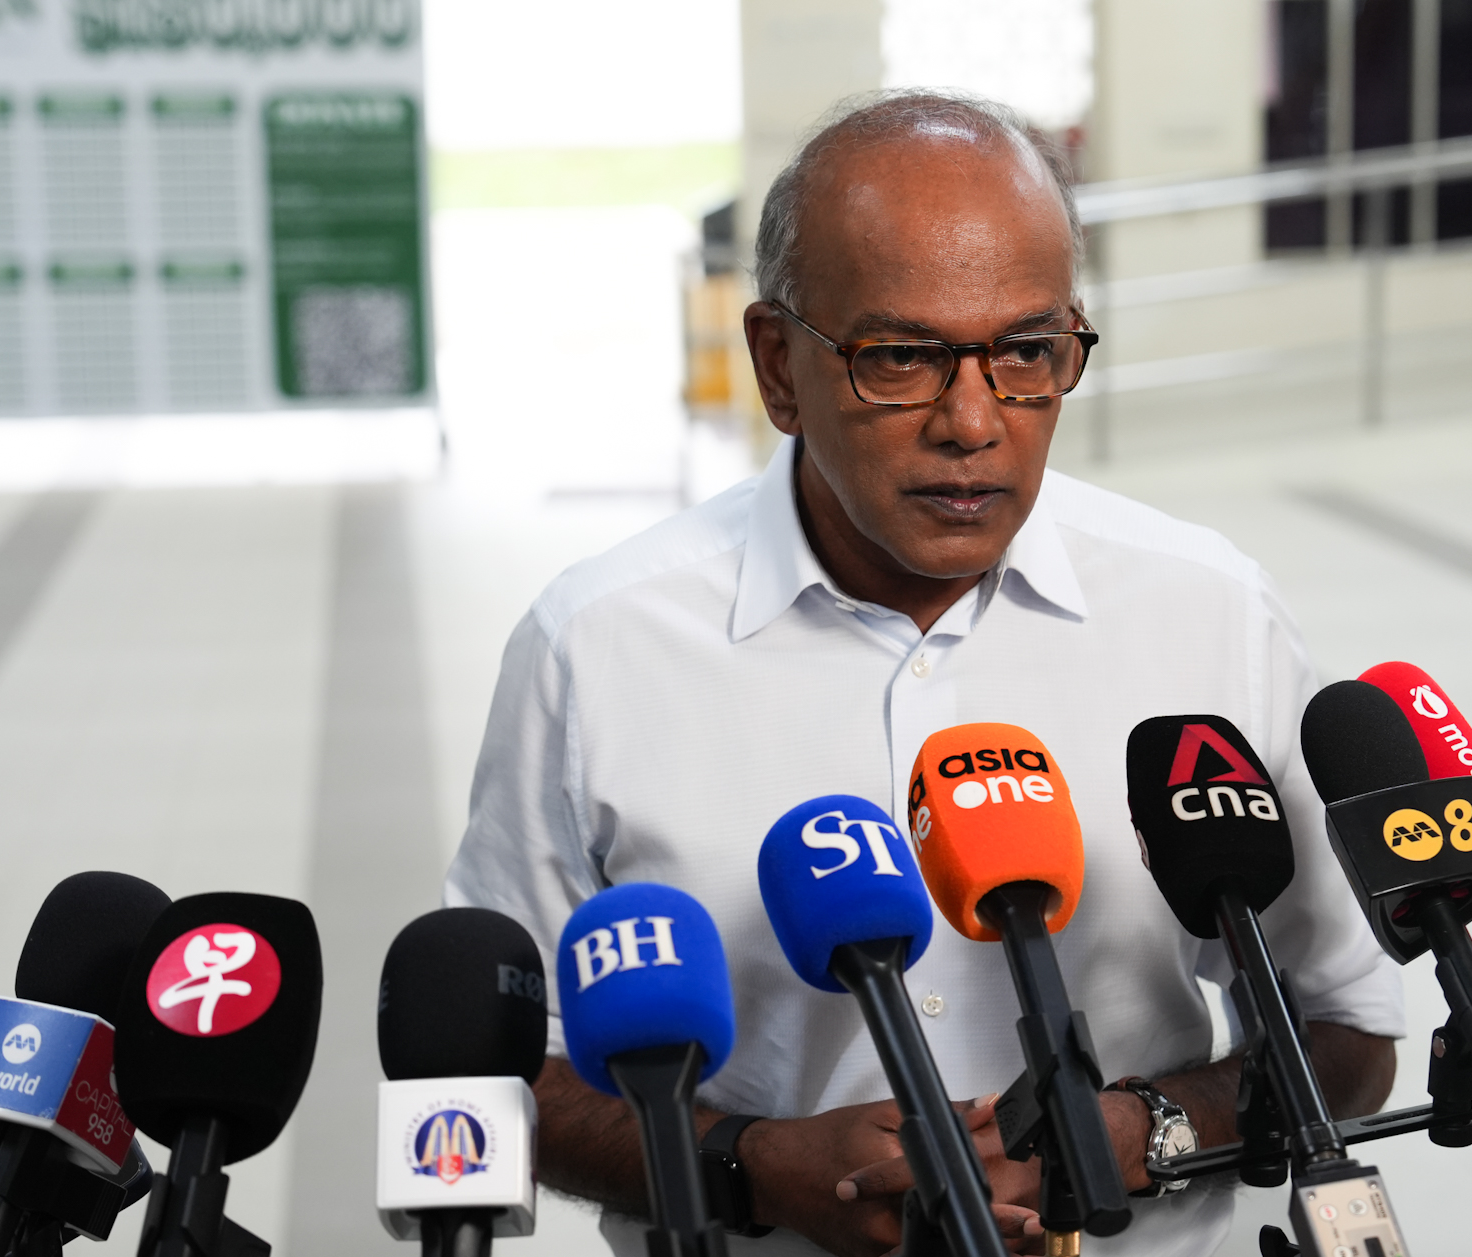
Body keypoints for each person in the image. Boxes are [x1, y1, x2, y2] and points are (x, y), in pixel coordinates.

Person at [445, 90, 1401, 1257]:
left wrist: (1141, 1130)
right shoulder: (597, 647)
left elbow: (1346, 1026)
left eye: (1027, 352)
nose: (973, 421)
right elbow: (505, 1071)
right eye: (900, 357)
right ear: (778, 366)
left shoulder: (1210, 612)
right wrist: (747, 1166)